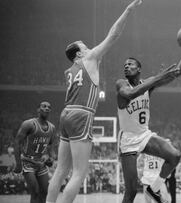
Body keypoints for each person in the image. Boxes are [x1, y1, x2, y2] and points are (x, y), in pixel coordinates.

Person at [45, 1, 143, 202]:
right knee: (80, 172)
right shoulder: (89, 58)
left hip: (65, 114)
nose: (90, 48)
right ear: (79, 54)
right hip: (82, 114)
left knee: (60, 170)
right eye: (85, 47)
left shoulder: (69, 71)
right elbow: (113, 36)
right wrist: (127, 10)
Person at [116, 34, 181, 202]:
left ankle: (154, 189)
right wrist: (159, 77)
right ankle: (147, 191)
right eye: (125, 65)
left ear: (139, 69)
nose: (126, 66)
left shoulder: (148, 84)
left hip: (144, 135)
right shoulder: (121, 84)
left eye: (130, 64)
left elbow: (178, 72)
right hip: (128, 139)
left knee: (174, 156)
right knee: (131, 191)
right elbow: (132, 93)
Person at [14, 101, 57, 203]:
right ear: (38, 110)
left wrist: (51, 158)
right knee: (35, 192)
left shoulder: (52, 128)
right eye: (44, 106)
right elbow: (17, 142)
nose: (47, 108)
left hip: (41, 164)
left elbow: (51, 147)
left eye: (49, 107)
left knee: (45, 192)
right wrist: (18, 164)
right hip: (28, 162)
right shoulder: (29, 124)